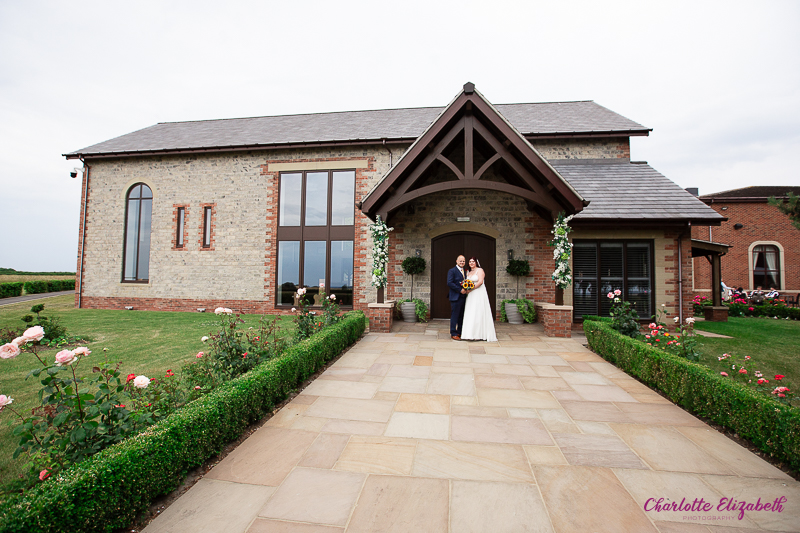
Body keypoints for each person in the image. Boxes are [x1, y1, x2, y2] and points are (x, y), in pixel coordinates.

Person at [460, 257, 498, 342]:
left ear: (476, 262)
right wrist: (466, 288)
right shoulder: (468, 272)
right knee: (471, 311)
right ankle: (469, 334)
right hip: (471, 295)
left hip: (478, 293)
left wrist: (471, 289)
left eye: (473, 261)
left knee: (478, 311)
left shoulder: (480, 270)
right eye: (470, 262)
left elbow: (480, 282)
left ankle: (479, 334)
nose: (471, 263)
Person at [447, 255, 468, 340]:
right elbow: (449, 283)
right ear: (456, 261)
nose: (462, 262)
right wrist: (460, 290)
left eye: (463, 261)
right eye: (460, 261)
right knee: (455, 315)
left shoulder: (465, 271)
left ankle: (459, 332)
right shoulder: (452, 271)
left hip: (463, 297)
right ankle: (453, 333)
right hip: (455, 296)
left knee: (461, 315)